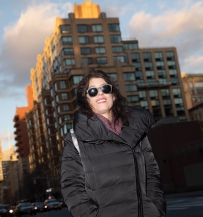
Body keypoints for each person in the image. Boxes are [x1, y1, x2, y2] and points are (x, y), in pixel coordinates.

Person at [61, 69, 166, 217]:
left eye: (105, 88)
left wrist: (155, 209)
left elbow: (152, 173)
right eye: (92, 91)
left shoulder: (136, 129)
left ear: (114, 95)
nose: (100, 93)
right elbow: (72, 188)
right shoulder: (75, 139)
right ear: (86, 100)